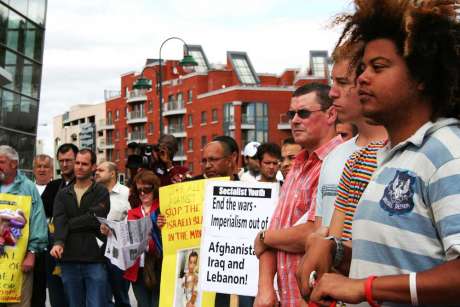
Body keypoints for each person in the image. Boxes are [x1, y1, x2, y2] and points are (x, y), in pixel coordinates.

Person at [298, 1, 460, 305]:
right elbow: (394, 263)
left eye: (379, 67)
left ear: (421, 76)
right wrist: (335, 252)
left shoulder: (448, 154)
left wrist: (365, 289)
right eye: (362, 68)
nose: (362, 78)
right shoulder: (390, 158)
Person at [253, 83, 342, 307]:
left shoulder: (341, 161)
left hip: (317, 299)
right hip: (288, 299)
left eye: (303, 113)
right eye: (292, 114)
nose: (294, 120)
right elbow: (277, 228)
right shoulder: (297, 165)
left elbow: (315, 232)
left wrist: (264, 237)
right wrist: (264, 289)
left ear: (331, 114)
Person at [50, 149, 110, 307]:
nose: (79, 167)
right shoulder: (63, 194)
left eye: (84, 164)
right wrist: (59, 243)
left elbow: (94, 218)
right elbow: (59, 220)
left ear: (93, 167)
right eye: (77, 163)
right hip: (69, 259)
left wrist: (69, 224)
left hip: (94, 259)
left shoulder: (101, 191)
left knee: (96, 304)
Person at [0, 145, 48, 307]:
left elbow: (38, 223)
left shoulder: (28, 188)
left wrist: (32, 252)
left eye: (1, 162)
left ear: (14, 164)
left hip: (18, 264)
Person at [40, 143, 78, 307]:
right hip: (53, 250)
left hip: (77, 250)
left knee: (76, 298)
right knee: (56, 296)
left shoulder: (87, 184)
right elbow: (41, 212)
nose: (64, 164)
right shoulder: (54, 185)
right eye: (61, 160)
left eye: (68, 160)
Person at [123, 170, 162, 307]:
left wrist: (160, 229)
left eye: (147, 189)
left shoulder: (164, 210)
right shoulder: (131, 214)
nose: (143, 193)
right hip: (138, 269)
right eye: (139, 190)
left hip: (160, 267)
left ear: (155, 189)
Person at [95, 161, 131, 307]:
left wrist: (114, 228)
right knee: (103, 297)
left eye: (101, 170)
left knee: (121, 296)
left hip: (119, 252)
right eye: (96, 170)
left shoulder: (126, 193)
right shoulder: (94, 193)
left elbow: (134, 219)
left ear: (112, 173)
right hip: (97, 251)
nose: (96, 172)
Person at [31, 153, 54, 307]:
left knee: (51, 288)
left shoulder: (59, 189)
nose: (42, 169)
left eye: (46, 166)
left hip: (51, 245)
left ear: (52, 170)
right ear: (33, 170)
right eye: (39, 166)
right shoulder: (26, 188)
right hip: (29, 246)